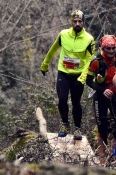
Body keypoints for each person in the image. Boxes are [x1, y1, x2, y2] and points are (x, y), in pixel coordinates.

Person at [40, 10, 95, 140]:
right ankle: (64, 124)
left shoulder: (89, 39)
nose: (77, 24)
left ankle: (77, 128)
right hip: (63, 73)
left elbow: (90, 60)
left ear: (83, 22)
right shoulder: (63, 34)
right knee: (62, 99)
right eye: (74, 21)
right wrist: (45, 64)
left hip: (78, 75)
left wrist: (82, 77)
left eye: (79, 21)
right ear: (71, 22)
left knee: (76, 102)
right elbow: (53, 49)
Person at [85, 35, 116, 162]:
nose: (111, 51)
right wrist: (102, 90)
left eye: (113, 48)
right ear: (102, 48)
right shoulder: (96, 61)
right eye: (108, 48)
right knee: (101, 126)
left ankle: (115, 153)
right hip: (100, 96)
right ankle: (102, 156)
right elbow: (88, 80)